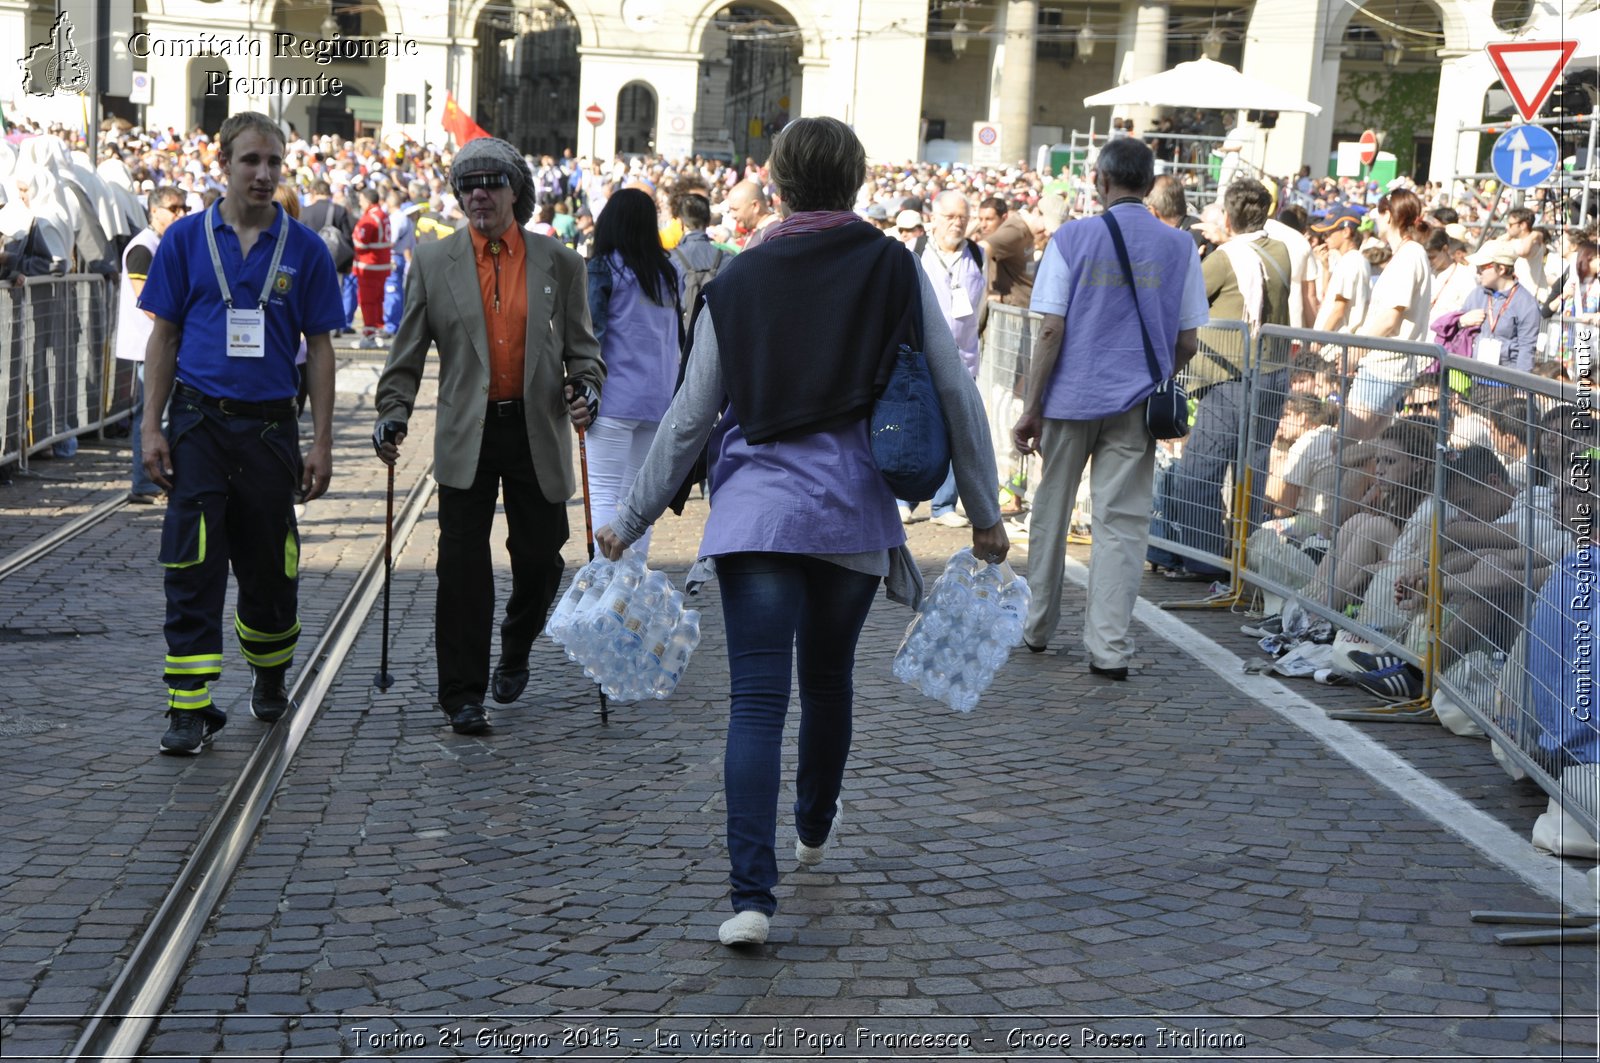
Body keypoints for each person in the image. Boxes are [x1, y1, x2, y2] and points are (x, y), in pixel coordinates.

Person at [592, 116, 1007, 947]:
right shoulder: (894, 264)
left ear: (776, 182)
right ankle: (814, 823)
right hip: (852, 511)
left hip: (754, 516)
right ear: (856, 182)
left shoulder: (738, 279)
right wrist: (987, 512)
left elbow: (688, 416)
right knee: (827, 681)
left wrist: (627, 516)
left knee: (754, 701)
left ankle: (752, 895)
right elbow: (956, 392)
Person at [373, 136, 603, 737]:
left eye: (491, 182)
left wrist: (586, 387)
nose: (478, 193)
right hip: (465, 435)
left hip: (535, 431)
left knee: (540, 558)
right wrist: (392, 410)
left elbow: (584, 350)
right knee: (461, 568)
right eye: (467, 184)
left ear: (516, 191)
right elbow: (406, 354)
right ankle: (463, 694)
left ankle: (517, 643)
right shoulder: (432, 261)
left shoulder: (560, 262)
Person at [137, 112, 343, 756]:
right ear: (224, 162)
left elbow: (322, 349)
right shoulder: (186, 241)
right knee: (192, 564)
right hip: (198, 425)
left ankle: (270, 671)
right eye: (251, 160)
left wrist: (324, 441)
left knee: (269, 566)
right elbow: (163, 337)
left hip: (270, 431)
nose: (264, 174)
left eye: (274, 163)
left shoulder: (305, 249)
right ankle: (188, 708)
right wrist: (150, 426)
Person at [1012, 136, 1207, 676]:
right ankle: (1109, 647)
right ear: (1149, 184)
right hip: (1136, 403)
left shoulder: (1072, 238)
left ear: (1100, 181)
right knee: (1121, 524)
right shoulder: (1180, 246)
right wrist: (1157, 377)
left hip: (1070, 399)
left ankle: (1037, 624)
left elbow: (1051, 328)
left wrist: (1032, 406)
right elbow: (1188, 339)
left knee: (1051, 513)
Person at [1167, 180, 1293, 580]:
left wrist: (1206, 251)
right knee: (1250, 470)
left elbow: (1181, 299)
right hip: (1273, 374)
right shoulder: (1281, 251)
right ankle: (1244, 556)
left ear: (1226, 216)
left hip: (1229, 375)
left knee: (1199, 472)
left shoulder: (1225, 258)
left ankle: (1202, 560)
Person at [584, 187, 680, 558]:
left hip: (613, 396)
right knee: (637, 498)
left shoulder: (605, 265)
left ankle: (608, 581)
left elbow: (593, 333)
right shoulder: (668, 270)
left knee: (605, 491)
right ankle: (632, 582)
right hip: (658, 397)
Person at [900, 189, 985, 527]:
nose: (957, 223)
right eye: (950, 216)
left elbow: (984, 301)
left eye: (962, 217)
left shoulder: (977, 254)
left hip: (964, 360)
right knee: (914, 429)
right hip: (920, 359)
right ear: (933, 218)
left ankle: (944, 505)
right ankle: (904, 498)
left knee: (958, 432)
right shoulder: (914, 251)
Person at [115, 185, 188, 503]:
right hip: (149, 343)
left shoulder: (162, 242)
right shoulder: (143, 246)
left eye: (183, 208)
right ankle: (144, 482)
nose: (181, 214)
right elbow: (148, 301)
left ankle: (155, 479)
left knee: (161, 412)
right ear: (154, 210)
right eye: (174, 208)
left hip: (159, 342)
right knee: (152, 414)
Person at [1350, 188, 1433, 439]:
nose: (1374, 219)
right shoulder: (1407, 254)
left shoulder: (1410, 255)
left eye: (1378, 213)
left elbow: (1390, 318)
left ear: (1388, 215)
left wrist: (1355, 348)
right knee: (1366, 447)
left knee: (1346, 446)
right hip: (1387, 365)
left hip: (1385, 367)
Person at [1456, 240, 1542, 372]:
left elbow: (1526, 349)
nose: (1478, 273)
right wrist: (1460, 321)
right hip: (1473, 376)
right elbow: (1457, 329)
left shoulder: (1526, 303)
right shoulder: (1476, 294)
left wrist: (1521, 388)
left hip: (1505, 383)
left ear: (1501, 269)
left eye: (1482, 268)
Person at [299, 180, 354, 333]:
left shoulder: (305, 211)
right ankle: (335, 326)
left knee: (312, 293)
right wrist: (349, 263)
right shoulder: (339, 210)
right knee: (336, 292)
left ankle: (314, 326)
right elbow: (348, 238)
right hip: (336, 259)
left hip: (310, 260)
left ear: (314, 192)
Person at [1309, 207, 1370, 334]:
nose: (1325, 238)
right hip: (1338, 341)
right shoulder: (1350, 260)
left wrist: (1318, 340)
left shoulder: (1351, 261)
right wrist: (1326, 268)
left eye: (1329, 233)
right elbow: (1330, 300)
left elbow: (1339, 310)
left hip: (1337, 343)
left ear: (1346, 232)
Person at [976, 196, 1034, 311]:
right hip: (1010, 305)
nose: (983, 225)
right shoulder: (1003, 230)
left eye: (989, 219)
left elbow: (976, 252)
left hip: (1016, 308)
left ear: (1004, 218)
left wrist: (987, 293)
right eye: (980, 219)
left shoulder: (1010, 233)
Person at [351, 186, 391, 348]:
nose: (360, 204)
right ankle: (376, 331)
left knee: (367, 301)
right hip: (382, 265)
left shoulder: (369, 218)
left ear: (367, 201)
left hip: (369, 266)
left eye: (361, 200)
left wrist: (353, 235)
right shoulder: (383, 215)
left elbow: (360, 243)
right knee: (377, 300)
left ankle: (369, 336)